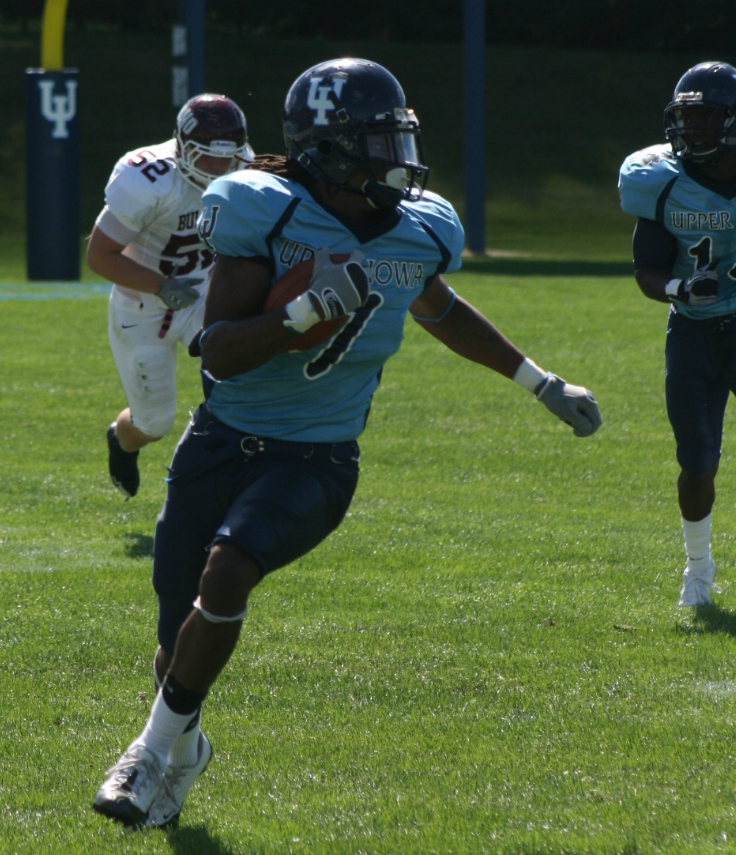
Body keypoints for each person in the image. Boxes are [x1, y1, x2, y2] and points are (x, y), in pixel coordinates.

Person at [92, 58, 602, 826]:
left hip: (317, 458)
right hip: (220, 441)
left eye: (398, 136)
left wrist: (541, 383)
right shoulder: (259, 209)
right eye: (374, 139)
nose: (394, 156)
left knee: (227, 572)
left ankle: (147, 754)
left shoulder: (421, 225)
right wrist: (296, 317)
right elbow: (221, 352)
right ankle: (185, 746)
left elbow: (443, 309)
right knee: (177, 645)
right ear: (326, 146)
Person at [88, 94, 251, 497]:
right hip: (141, 305)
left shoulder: (245, 164)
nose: (218, 167)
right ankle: (121, 440)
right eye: (207, 157)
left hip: (203, 293)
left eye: (225, 158)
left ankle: (222, 463)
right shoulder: (147, 179)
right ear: (182, 147)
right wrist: (161, 286)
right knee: (152, 425)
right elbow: (98, 255)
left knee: (235, 363)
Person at [619, 61, 736, 608]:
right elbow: (646, 271)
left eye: (706, 118)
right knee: (697, 461)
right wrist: (679, 289)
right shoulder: (660, 181)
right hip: (694, 332)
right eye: (686, 118)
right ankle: (698, 571)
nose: (693, 131)